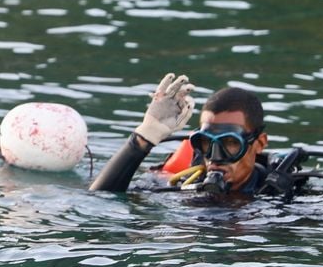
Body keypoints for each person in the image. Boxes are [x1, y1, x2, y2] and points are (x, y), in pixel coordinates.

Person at [89, 76, 271, 196]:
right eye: (207, 143)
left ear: (259, 143)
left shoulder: (280, 195)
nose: (215, 158)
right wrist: (144, 137)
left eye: (231, 143)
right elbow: (101, 201)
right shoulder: (180, 184)